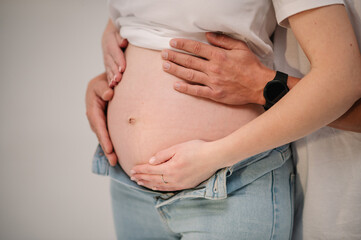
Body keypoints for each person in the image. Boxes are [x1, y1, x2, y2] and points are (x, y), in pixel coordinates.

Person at [86, 1, 361, 239]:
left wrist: (213, 156)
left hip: (229, 183)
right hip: (131, 187)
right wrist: (107, 74)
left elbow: (341, 78)